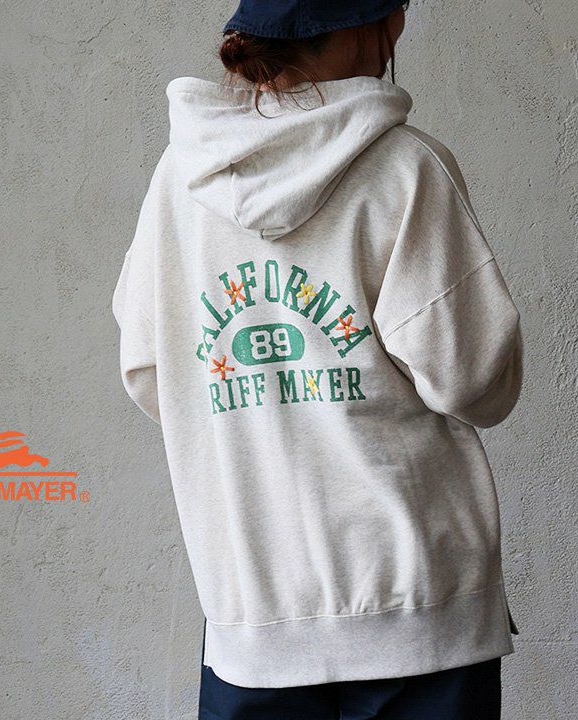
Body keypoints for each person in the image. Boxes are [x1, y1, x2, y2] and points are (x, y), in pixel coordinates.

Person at [112, 0, 523, 717]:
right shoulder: (406, 169)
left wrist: (264, 410)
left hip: (255, 617)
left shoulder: (182, 178)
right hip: (418, 614)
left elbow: (152, 371)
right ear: (372, 24)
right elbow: (475, 380)